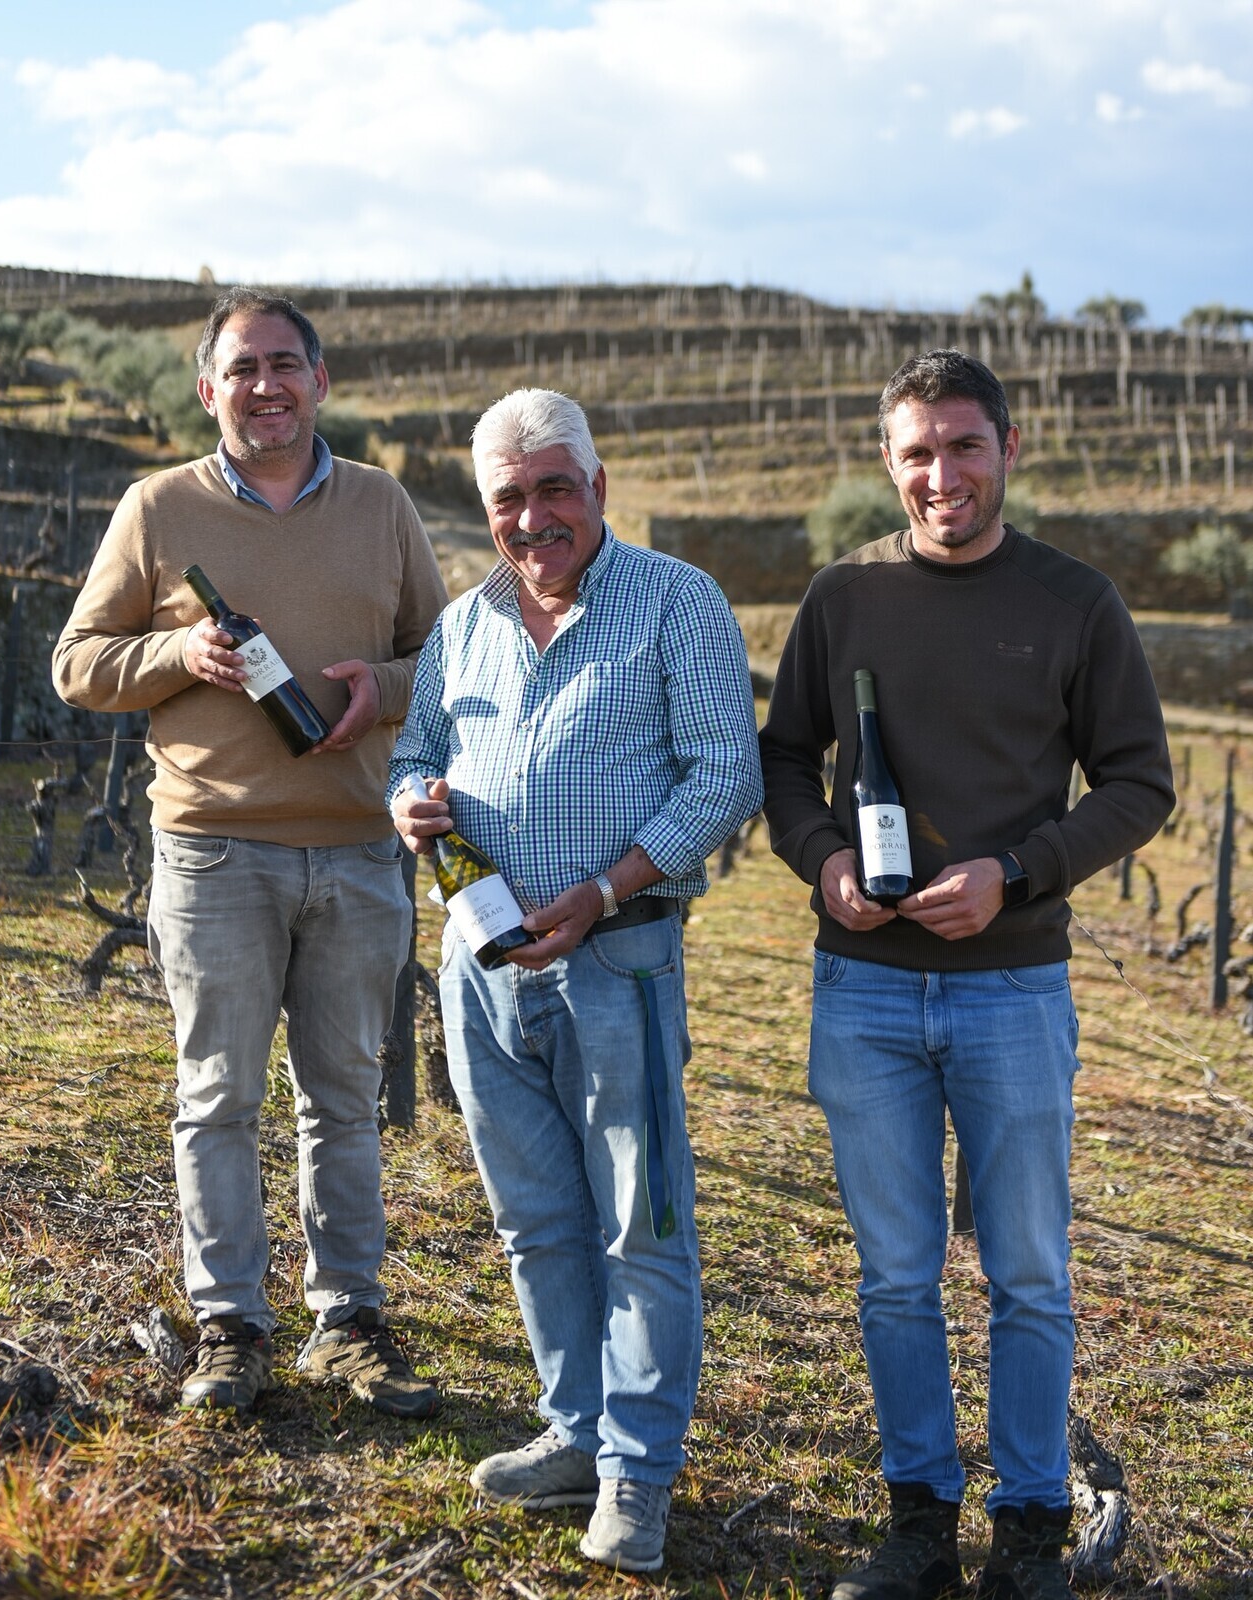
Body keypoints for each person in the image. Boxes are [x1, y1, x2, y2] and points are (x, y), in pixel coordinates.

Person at [759, 349, 1173, 1600]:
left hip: (1013, 989)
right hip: (864, 989)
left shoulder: (1075, 602)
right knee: (894, 1274)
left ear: (1008, 448)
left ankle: (1034, 1526)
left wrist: (1022, 874)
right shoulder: (842, 598)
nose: (943, 474)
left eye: (964, 446)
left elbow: (1140, 782)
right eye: (917, 453)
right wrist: (824, 859)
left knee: (1029, 1272)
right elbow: (785, 762)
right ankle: (920, 1521)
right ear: (890, 465)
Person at [53, 288, 449, 1418]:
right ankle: (231, 1325)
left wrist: (387, 688)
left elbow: (450, 661)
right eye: (243, 368)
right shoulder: (157, 506)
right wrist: (180, 649)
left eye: (286, 365)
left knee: (346, 1098)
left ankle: (349, 1322)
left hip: (361, 853)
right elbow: (77, 665)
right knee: (217, 1095)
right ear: (207, 388)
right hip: (214, 854)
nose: (265, 385)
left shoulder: (380, 506)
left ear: (320, 382)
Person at [388, 387, 762, 1573]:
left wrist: (600, 891)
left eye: (556, 487)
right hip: (481, 965)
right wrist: (411, 799)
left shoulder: (676, 603)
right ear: (488, 509)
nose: (535, 515)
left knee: (640, 1223)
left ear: (597, 488)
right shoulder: (461, 626)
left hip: (621, 957)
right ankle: (577, 1428)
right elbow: (415, 747)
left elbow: (725, 778)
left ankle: (638, 1477)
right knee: (535, 1217)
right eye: (512, 496)